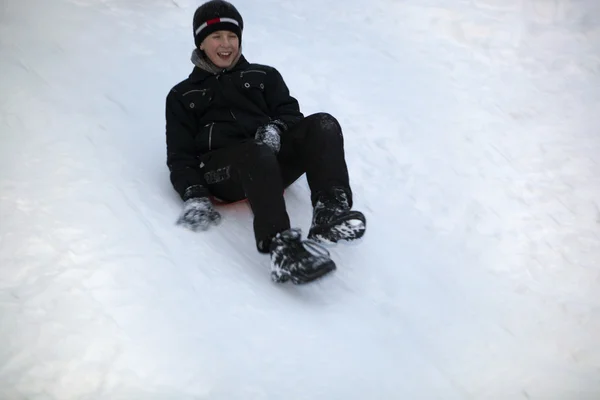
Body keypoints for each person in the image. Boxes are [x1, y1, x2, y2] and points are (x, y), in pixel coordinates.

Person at [165, 0, 366, 284]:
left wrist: (276, 128)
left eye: (232, 36)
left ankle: (329, 213)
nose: (226, 44)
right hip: (223, 173)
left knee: (323, 124)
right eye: (216, 36)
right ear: (201, 43)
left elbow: (290, 114)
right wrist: (195, 194)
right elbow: (180, 155)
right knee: (253, 152)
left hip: (268, 161)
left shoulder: (263, 76)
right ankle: (282, 249)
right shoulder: (182, 95)